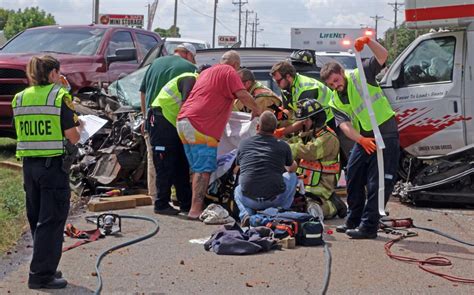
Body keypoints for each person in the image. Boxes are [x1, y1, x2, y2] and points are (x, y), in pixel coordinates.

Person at [321, 36, 400, 239]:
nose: (335, 86)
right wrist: (361, 140)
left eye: (336, 81)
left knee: (377, 181)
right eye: (330, 84)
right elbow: (345, 126)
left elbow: (383, 55)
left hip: (385, 132)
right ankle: (353, 218)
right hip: (365, 135)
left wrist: (368, 41)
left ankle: (369, 227)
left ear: (341, 73)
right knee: (353, 173)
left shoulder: (361, 74)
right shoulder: (334, 98)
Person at [12, 55, 80, 289]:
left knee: (38, 219)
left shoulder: (19, 98)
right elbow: (72, 135)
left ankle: (44, 265)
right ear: (53, 74)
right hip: (52, 167)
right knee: (51, 222)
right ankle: (41, 276)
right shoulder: (59, 95)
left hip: (29, 167)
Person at [177, 50, 262, 220]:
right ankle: (195, 210)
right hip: (202, 125)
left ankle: (191, 205)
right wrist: (257, 109)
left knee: (196, 168)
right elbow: (242, 95)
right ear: (236, 65)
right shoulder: (229, 71)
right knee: (204, 170)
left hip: (184, 121)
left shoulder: (207, 72)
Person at [139, 42, 197, 208]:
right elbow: (190, 101)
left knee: (156, 161)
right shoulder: (190, 68)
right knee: (179, 161)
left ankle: (156, 198)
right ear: (188, 55)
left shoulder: (155, 63)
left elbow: (142, 92)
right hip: (173, 121)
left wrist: (144, 117)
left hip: (152, 119)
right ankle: (173, 200)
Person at [234, 111, 298, 225]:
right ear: (275, 130)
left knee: (238, 189)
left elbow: (238, 167)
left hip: (249, 199)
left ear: (258, 127)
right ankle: (279, 212)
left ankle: (247, 215)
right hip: (274, 199)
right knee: (292, 177)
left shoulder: (243, 144)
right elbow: (292, 169)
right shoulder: (283, 146)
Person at [289, 99, 347, 219]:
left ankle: (334, 206)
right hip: (305, 186)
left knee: (309, 210)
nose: (303, 124)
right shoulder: (309, 135)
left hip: (320, 187)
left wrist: (285, 147)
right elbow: (293, 143)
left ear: (315, 120)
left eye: (306, 120)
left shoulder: (328, 138)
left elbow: (309, 151)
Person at [270, 60, 334, 137]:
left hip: (331, 119)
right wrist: (273, 119)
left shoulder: (305, 89)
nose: (277, 84)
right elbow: (288, 110)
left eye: (278, 81)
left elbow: (304, 121)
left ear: (288, 77)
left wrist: (281, 132)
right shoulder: (285, 87)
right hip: (314, 121)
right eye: (275, 81)